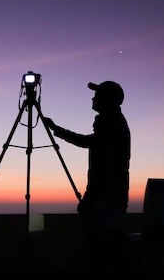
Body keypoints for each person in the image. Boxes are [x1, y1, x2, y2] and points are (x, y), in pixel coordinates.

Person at [42, 80, 131, 272]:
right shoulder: (113, 121)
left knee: (100, 251)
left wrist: (91, 200)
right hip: (111, 197)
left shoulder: (110, 122)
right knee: (110, 250)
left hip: (107, 199)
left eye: (98, 95)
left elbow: (104, 167)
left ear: (108, 99)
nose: (93, 98)